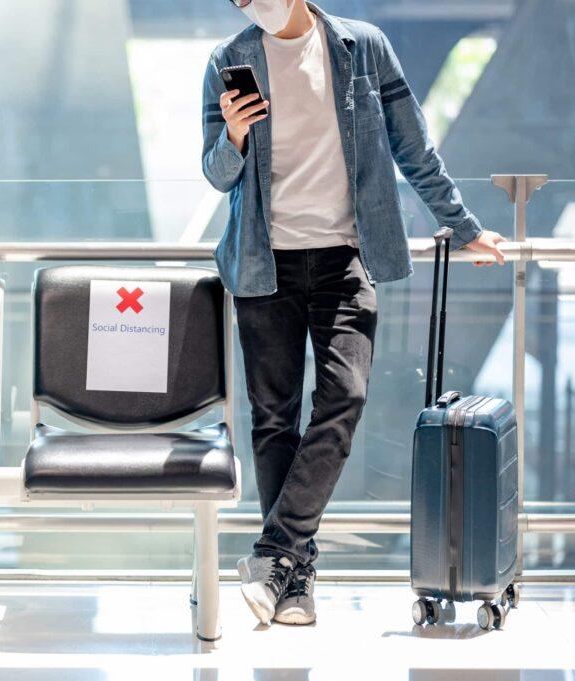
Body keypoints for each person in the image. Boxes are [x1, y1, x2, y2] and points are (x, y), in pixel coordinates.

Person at [201, 0, 507, 627]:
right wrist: (233, 135)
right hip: (264, 263)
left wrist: (462, 224)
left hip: (344, 260)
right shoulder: (229, 61)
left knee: (344, 396)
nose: (246, 3)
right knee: (273, 418)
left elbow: (412, 144)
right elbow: (215, 173)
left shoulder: (361, 47)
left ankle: (273, 551)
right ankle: (294, 581)